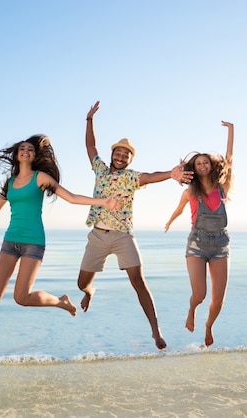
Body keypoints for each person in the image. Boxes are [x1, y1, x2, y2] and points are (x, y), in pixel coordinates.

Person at [77, 101, 193, 350]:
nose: (120, 157)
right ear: (112, 156)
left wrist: (170, 174)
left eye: (125, 155)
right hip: (97, 235)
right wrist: (89, 120)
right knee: (81, 283)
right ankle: (89, 292)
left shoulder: (131, 177)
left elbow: (151, 176)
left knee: (139, 282)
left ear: (129, 160)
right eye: (117, 153)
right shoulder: (99, 170)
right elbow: (90, 145)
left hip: (123, 236)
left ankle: (155, 330)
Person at [0, 134, 118, 316]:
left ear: (34, 156)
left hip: (33, 242)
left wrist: (103, 202)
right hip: (10, 241)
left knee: (21, 298)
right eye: (22, 149)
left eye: (30, 149)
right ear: (17, 155)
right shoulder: (10, 183)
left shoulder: (40, 178)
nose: (26, 151)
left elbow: (71, 198)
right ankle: (59, 301)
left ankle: (60, 301)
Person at [164, 121, 234, 347]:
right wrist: (170, 221)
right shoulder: (189, 192)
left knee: (218, 299)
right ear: (194, 167)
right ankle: (192, 309)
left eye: (206, 162)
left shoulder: (223, 186)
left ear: (211, 165)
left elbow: (230, 159)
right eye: (199, 163)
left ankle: (209, 325)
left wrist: (231, 131)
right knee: (200, 295)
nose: (203, 165)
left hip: (221, 245)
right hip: (196, 244)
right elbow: (178, 209)